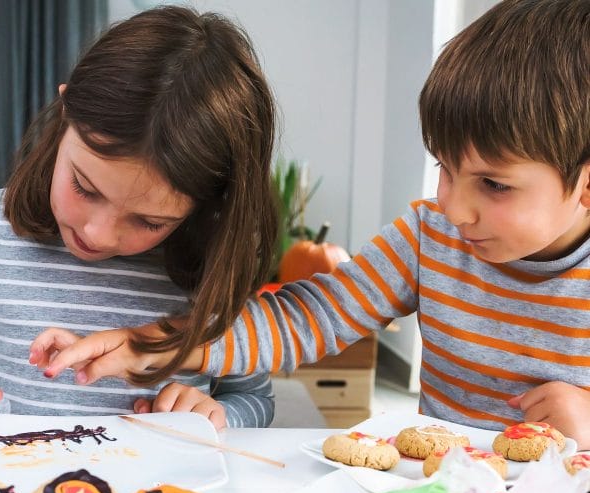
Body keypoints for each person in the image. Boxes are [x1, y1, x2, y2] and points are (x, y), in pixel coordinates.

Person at [30, 0, 590, 448]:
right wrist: (150, 345)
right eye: (444, 168)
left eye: (494, 185)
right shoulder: (430, 238)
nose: (454, 206)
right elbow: (309, 315)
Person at [0, 5, 280, 428]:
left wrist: (217, 415)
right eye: (85, 188)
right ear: (67, 108)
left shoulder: (212, 269)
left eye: (149, 222)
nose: (98, 234)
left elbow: (252, 398)